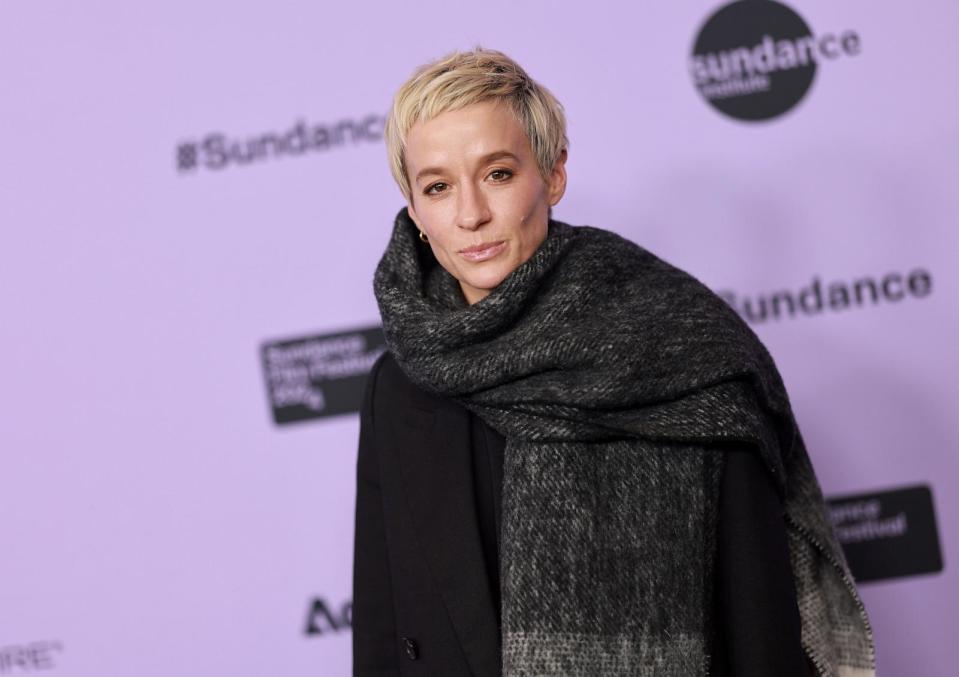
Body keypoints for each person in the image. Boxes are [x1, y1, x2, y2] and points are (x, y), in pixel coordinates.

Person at [352, 47, 875, 677]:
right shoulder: (401, 385)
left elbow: (758, 626)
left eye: (497, 173)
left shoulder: (684, 355)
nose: (471, 214)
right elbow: (384, 627)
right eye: (438, 187)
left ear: (552, 174)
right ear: (415, 212)